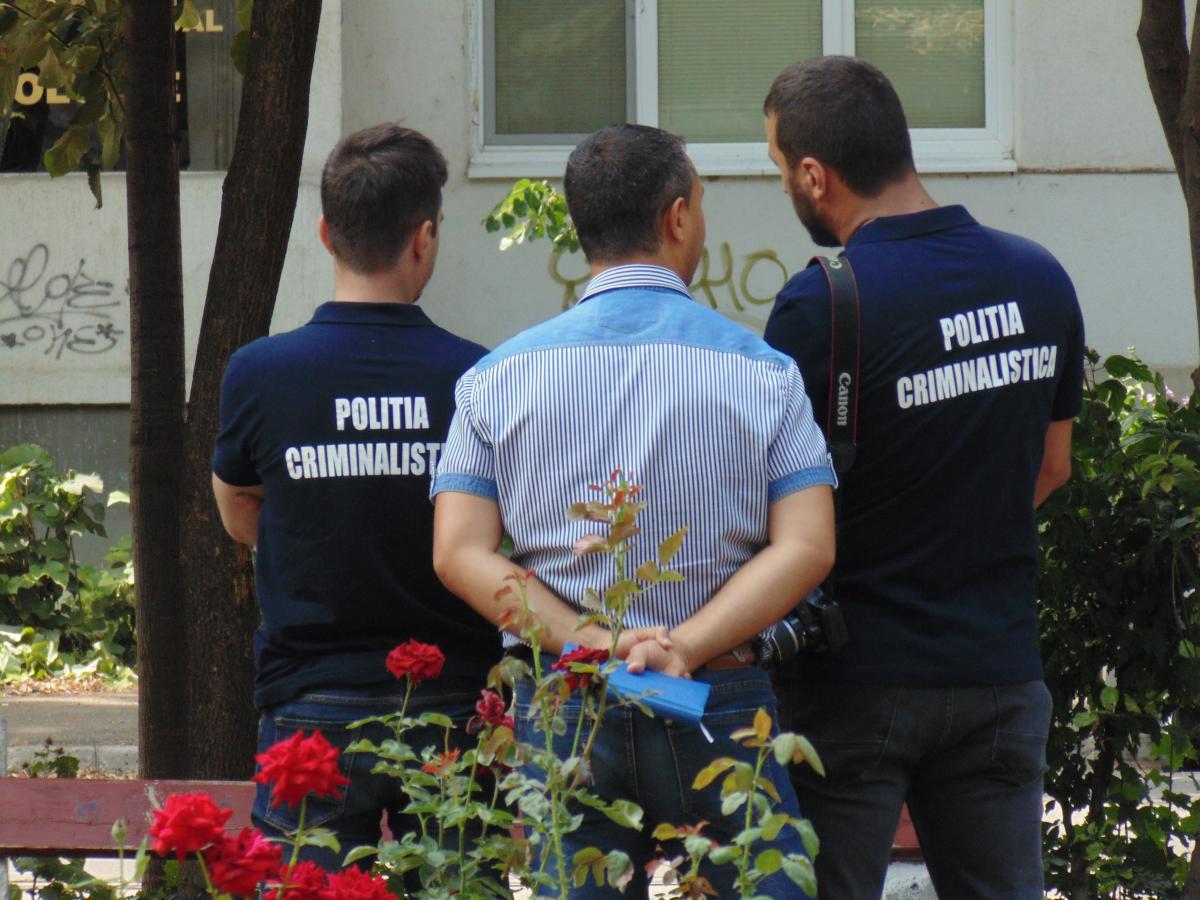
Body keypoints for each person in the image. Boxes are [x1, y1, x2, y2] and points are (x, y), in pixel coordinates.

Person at [430, 123, 836, 898]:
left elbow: (458, 553)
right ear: (678, 216)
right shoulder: (766, 375)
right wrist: (681, 647)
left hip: (568, 707)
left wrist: (592, 642)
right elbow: (809, 546)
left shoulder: (494, 381)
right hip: (719, 694)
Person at [761, 56, 1085, 899]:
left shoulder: (821, 305)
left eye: (779, 167)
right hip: (999, 670)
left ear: (814, 175)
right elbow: (1053, 465)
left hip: (855, 684)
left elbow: (767, 506)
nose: (785, 186)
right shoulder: (1038, 277)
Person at [211, 124, 499, 870]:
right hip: (452, 707)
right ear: (425, 237)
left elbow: (237, 510)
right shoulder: (479, 378)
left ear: (324, 232)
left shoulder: (260, 373)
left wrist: (316, 522)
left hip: (311, 706)